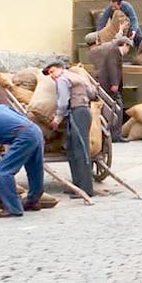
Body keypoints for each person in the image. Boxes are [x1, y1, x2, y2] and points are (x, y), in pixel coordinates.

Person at [43, 61, 96, 196]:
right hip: (83, 112)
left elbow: (62, 101)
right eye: (49, 73)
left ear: (60, 69)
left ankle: (85, 189)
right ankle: (77, 185)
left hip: (77, 113)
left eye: (52, 71)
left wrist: (57, 119)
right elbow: (91, 93)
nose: (51, 75)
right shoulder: (76, 77)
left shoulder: (62, 79)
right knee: (72, 150)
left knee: (80, 150)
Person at [89, 37, 131, 142]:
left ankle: (113, 133)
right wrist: (114, 83)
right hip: (109, 86)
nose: (128, 50)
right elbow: (112, 68)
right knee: (118, 107)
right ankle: (115, 135)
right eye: (128, 47)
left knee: (114, 108)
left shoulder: (114, 52)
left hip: (109, 85)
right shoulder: (114, 52)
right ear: (125, 45)